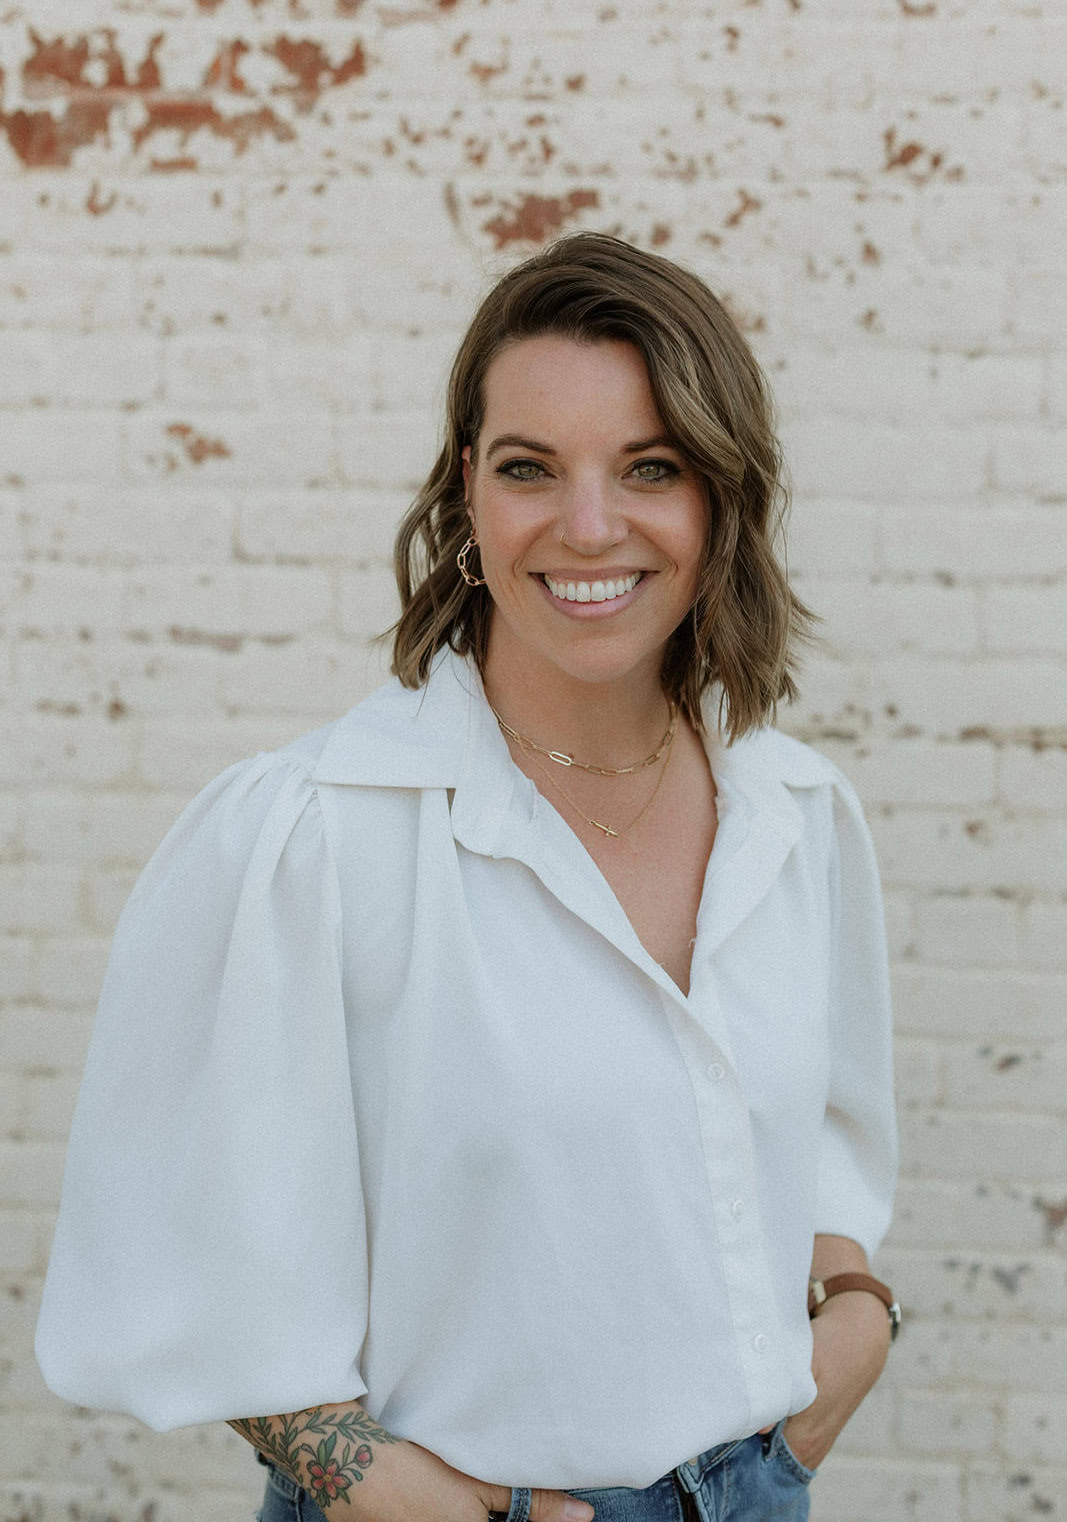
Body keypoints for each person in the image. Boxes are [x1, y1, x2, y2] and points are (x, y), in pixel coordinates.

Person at [36, 232, 899, 1522]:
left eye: (650, 467)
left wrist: (852, 1323)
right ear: (468, 497)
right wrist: (425, 1502)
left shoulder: (794, 814)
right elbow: (188, 1257)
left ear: (723, 497)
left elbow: (823, 1134)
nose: (590, 525)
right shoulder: (319, 839)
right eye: (529, 468)